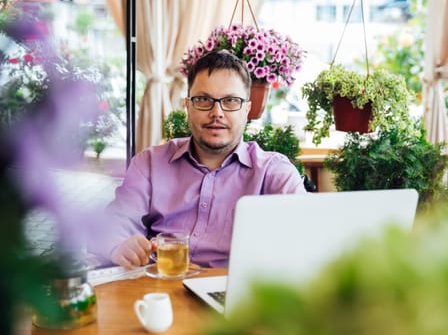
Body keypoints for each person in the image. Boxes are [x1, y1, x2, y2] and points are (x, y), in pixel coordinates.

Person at [94, 50, 306, 269]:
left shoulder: (274, 173)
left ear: (247, 109)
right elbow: (114, 225)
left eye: (231, 101)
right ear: (188, 106)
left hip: (234, 295)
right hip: (160, 290)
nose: (217, 112)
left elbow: (306, 240)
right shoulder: (149, 163)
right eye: (204, 100)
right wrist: (119, 245)